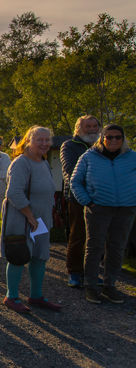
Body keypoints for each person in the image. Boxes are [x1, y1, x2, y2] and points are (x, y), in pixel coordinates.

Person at [70, 124, 136, 304]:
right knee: (94, 248)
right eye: (109, 137)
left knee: (117, 248)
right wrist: (88, 201)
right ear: (102, 138)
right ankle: (91, 286)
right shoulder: (89, 157)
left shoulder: (132, 157)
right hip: (98, 208)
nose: (113, 140)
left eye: (118, 137)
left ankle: (110, 286)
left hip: (126, 209)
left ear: (123, 139)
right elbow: (75, 182)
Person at [1, 126, 61, 313]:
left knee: (40, 256)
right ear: (28, 141)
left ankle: (36, 296)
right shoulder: (21, 163)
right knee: (19, 256)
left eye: (47, 140)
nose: (44, 144)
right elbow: (14, 193)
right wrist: (30, 216)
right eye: (39, 140)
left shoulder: (43, 162)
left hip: (40, 220)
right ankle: (11, 297)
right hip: (22, 218)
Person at [61, 115, 100, 288]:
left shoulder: (102, 146)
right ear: (78, 128)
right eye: (88, 126)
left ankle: (91, 272)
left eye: (94, 126)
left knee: (97, 237)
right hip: (77, 196)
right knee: (78, 234)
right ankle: (74, 272)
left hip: (101, 197)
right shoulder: (69, 145)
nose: (92, 129)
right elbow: (70, 169)